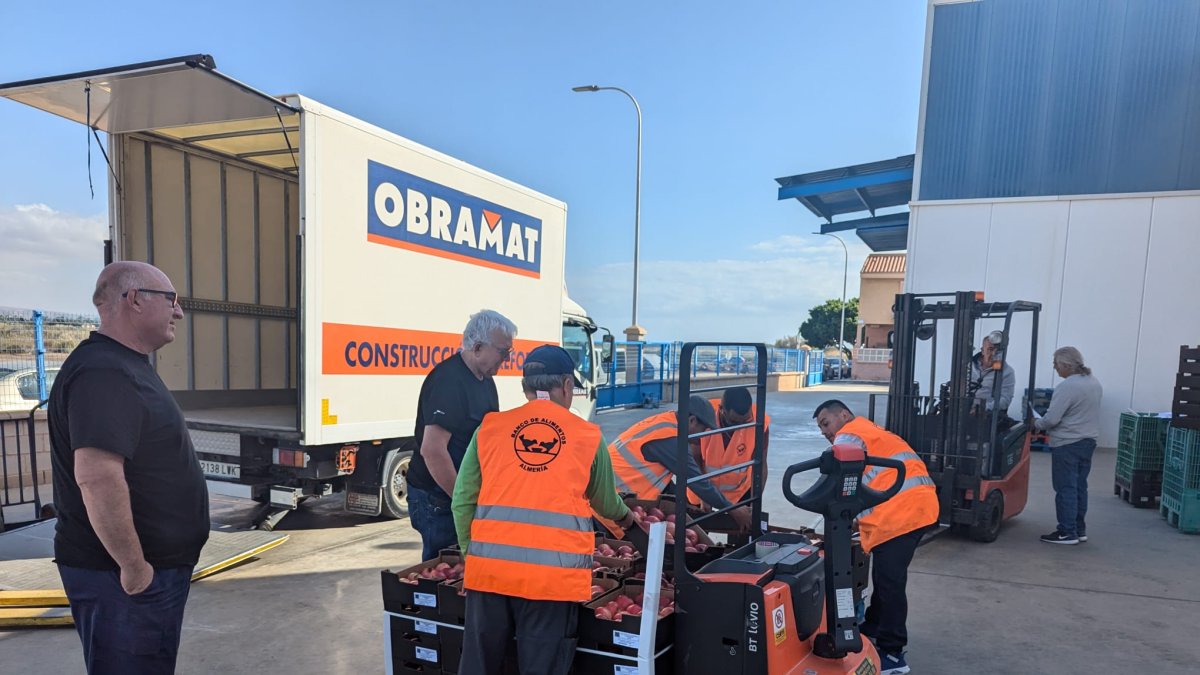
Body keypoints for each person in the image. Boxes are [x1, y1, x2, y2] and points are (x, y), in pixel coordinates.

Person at [49, 261, 209, 675]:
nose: (179, 312)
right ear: (135, 300)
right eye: (171, 300)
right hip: (124, 581)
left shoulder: (122, 364)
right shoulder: (104, 371)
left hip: (139, 576)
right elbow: (97, 475)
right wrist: (135, 568)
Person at [452, 345, 639, 675]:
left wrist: (472, 556)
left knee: (479, 667)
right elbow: (605, 503)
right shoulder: (586, 436)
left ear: (525, 386)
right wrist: (629, 521)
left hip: (489, 577)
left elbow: (463, 500)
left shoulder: (490, 429)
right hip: (552, 581)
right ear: (567, 386)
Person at [813, 399, 938, 675]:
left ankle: (894, 654)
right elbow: (866, 482)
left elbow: (835, 480)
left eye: (826, 423)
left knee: (891, 583)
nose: (825, 431)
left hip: (901, 514)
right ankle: (872, 627)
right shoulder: (871, 431)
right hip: (918, 508)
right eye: (821, 429)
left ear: (844, 414)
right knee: (885, 578)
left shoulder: (849, 436)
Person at [407, 309, 516, 562]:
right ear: (478, 347)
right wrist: (463, 502)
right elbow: (432, 451)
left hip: (460, 494)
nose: (506, 359)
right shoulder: (449, 381)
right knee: (447, 569)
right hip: (438, 497)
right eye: (503, 352)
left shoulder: (484, 379)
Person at [607, 394, 753, 531]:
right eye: (704, 429)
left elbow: (664, 480)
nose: (703, 435)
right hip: (612, 507)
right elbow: (697, 481)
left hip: (613, 499)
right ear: (692, 421)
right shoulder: (672, 440)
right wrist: (733, 509)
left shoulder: (667, 423)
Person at [1034, 346, 1102, 545]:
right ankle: (1079, 529)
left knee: (1065, 488)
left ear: (1065, 365)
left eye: (1056, 364)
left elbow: (1052, 419)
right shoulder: (1093, 382)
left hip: (1067, 443)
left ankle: (1066, 532)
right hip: (1087, 442)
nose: (1055, 368)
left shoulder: (1067, 387)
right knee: (1080, 487)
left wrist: (1036, 424)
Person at [686, 387, 771, 509]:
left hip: (738, 494)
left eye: (745, 421)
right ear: (721, 410)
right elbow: (695, 458)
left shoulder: (759, 422)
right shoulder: (703, 416)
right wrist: (705, 496)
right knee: (695, 525)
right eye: (734, 422)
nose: (740, 426)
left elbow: (761, 465)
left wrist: (755, 503)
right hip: (701, 488)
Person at [969, 330, 1016, 413]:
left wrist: (984, 408)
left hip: (988, 415)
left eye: (998, 350)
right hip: (963, 411)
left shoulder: (1007, 372)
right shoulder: (968, 366)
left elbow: (1005, 400)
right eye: (990, 349)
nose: (994, 354)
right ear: (982, 350)